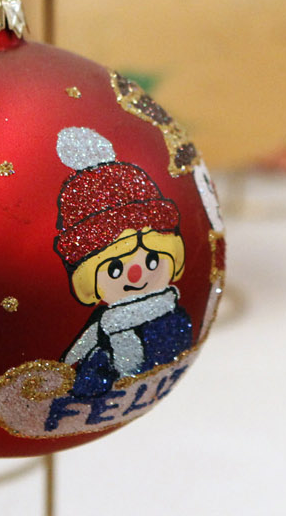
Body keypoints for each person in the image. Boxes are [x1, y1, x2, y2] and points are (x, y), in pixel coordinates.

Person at [52, 127, 193, 399]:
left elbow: (167, 357)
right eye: (115, 269)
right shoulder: (105, 330)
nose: (137, 274)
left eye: (152, 259)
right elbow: (86, 377)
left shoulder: (169, 320)